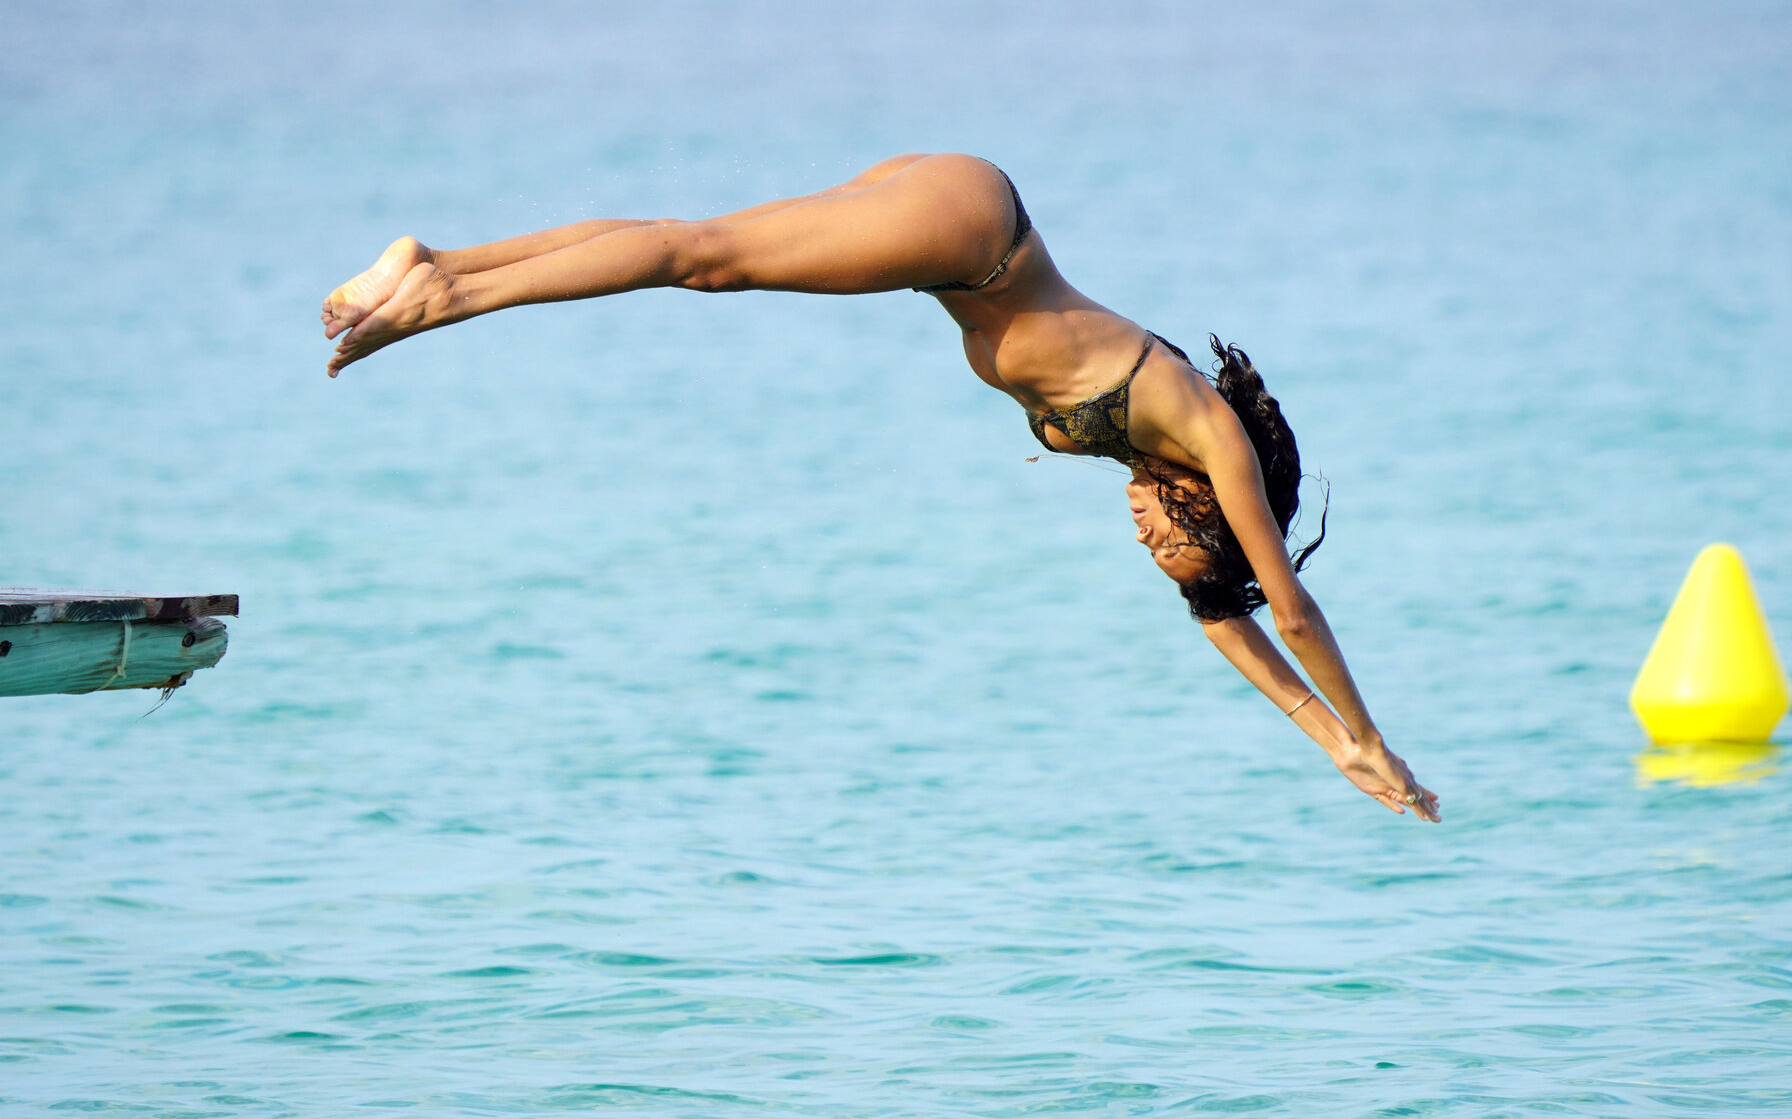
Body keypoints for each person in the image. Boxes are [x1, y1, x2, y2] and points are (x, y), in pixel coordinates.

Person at [323, 153, 1439, 821]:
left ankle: (438, 263)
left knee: (695, 245)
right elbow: (1285, 609)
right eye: (1168, 543)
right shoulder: (1208, 434)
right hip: (976, 230)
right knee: (705, 259)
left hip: (956, 235)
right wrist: (1372, 731)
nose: (1147, 543)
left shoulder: (1156, 461)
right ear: (1209, 509)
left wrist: (1330, 748)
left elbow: (1226, 622)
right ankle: (445, 303)